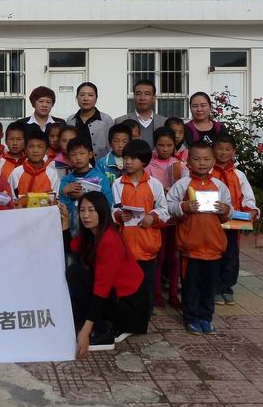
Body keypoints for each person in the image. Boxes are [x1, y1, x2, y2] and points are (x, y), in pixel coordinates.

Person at [63, 192, 150, 356]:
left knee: (77, 273)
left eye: (91, 210)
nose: (86, 216)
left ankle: (103, 332)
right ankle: (99, 323)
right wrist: (66, 223)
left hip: (130, 303)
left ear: (102, 211)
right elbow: (70, 248)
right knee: (76, 271)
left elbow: (101, 288)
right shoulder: (91, 234)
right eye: (82, 210)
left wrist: (86, 330)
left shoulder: (109, 239)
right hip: (114, 294)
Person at [167, 141, 233, 335]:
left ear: (213, 161)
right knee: (191, 285)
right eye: (197, 159)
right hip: (191, 247)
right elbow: (169, 205)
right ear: (188, 162)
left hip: (214, 247)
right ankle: (191, 318)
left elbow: (229, 210)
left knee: (209, 286)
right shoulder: (182, 184)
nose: (202, 163)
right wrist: (183, 207)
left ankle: (206, 317)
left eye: (206, 159)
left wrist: (225, 209)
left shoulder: (219, 186)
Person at [111, 139, 169, 315]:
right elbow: (113, 208)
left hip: (147, 246)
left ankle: (144, 315)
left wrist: (153, 216)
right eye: (125, 158)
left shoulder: (154, 184)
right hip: (125, 245)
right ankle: (125, 316)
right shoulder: (118, 183)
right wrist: (118, 215)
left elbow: (164, 210)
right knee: (125, 284)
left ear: (144, 161)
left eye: (132, 158)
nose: (127, 162)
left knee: (146, 285)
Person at [211, 134, 259, 306]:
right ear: (212, 150)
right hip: (212, 222)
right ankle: (214, 288)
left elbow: (247, 197)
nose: (223, 153)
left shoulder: (239, 175)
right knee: (213, 254)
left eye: (228, 149)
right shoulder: (207, 173)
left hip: (234, 222)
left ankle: (227, 287)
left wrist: (251, 211)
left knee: (231, 256)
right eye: (220, 149)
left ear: (234, 152)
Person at [147, 127, 188, 310]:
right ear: (155, 145)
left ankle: (173, 293)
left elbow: (186, 188)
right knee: (158, 256)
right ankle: (156, 293)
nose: (164, 149)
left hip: (175, 217)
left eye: (169, 145)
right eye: (161, 145)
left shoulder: (180, 165)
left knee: (174, 256)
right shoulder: (148, 164)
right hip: (157, 217)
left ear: (175, 145)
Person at [58, 137, 113, 235]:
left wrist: (83, 198)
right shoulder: (66, 181)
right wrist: (64, 193)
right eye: (73, 154)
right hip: (74, 230)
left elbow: (108, 203)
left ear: (90, 154)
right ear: (69, 157)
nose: (78, 157)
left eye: (82, 153)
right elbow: (65, 211)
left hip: (96, 229)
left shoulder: (100, 178)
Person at [8, 129, 60, 207]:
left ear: (46, 150)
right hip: (21, 214)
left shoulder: (52, 174)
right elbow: (10, 199)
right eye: (31, 146)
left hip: (46, 214)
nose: (35, 150)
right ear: (25, 149)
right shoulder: (16, 172)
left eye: (40, 147)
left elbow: (56, 201)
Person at [67, 82, 114, 161]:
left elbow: (111, 147)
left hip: (100, 166)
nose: (86, 98)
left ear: (96, 98)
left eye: (90, 95)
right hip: (75, 164)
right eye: (82, 95)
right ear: (77, 97)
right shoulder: (70, 120)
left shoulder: (106, 120)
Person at [115, 80, 167, 148]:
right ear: (134, 97)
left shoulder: (164, 122)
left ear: (154, 98)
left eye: (147, 94)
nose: (142, 98)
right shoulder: (120, 121)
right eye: (138, 94)